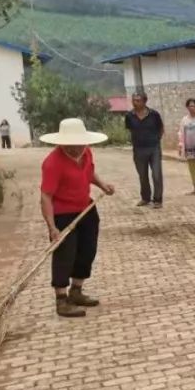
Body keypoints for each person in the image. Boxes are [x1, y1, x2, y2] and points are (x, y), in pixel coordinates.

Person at [39, 118, 115, 318]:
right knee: (65, 253)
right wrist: (51, 226)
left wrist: (103, 185)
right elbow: (46, 196)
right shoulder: (52, 163)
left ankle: (77, 290)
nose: (76, 149)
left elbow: (89, 173)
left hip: (86, 208)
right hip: (63, 213)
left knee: (87, 249)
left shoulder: (87, 152)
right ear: (62, 143)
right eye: (71, 145)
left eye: (79, 144)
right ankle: (61, 299)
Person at [124, 92, 164, 208]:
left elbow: (161, 128)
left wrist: (156, 140)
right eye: (133, 100)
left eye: (138, 100)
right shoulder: (129, 116)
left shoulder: (154, 114)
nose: (135, 102)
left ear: (144, 101)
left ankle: (157, 200)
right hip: (138, 149)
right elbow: (130, 130)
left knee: (157, 174)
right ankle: (145, 198)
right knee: (143, 175)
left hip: (154, 148)